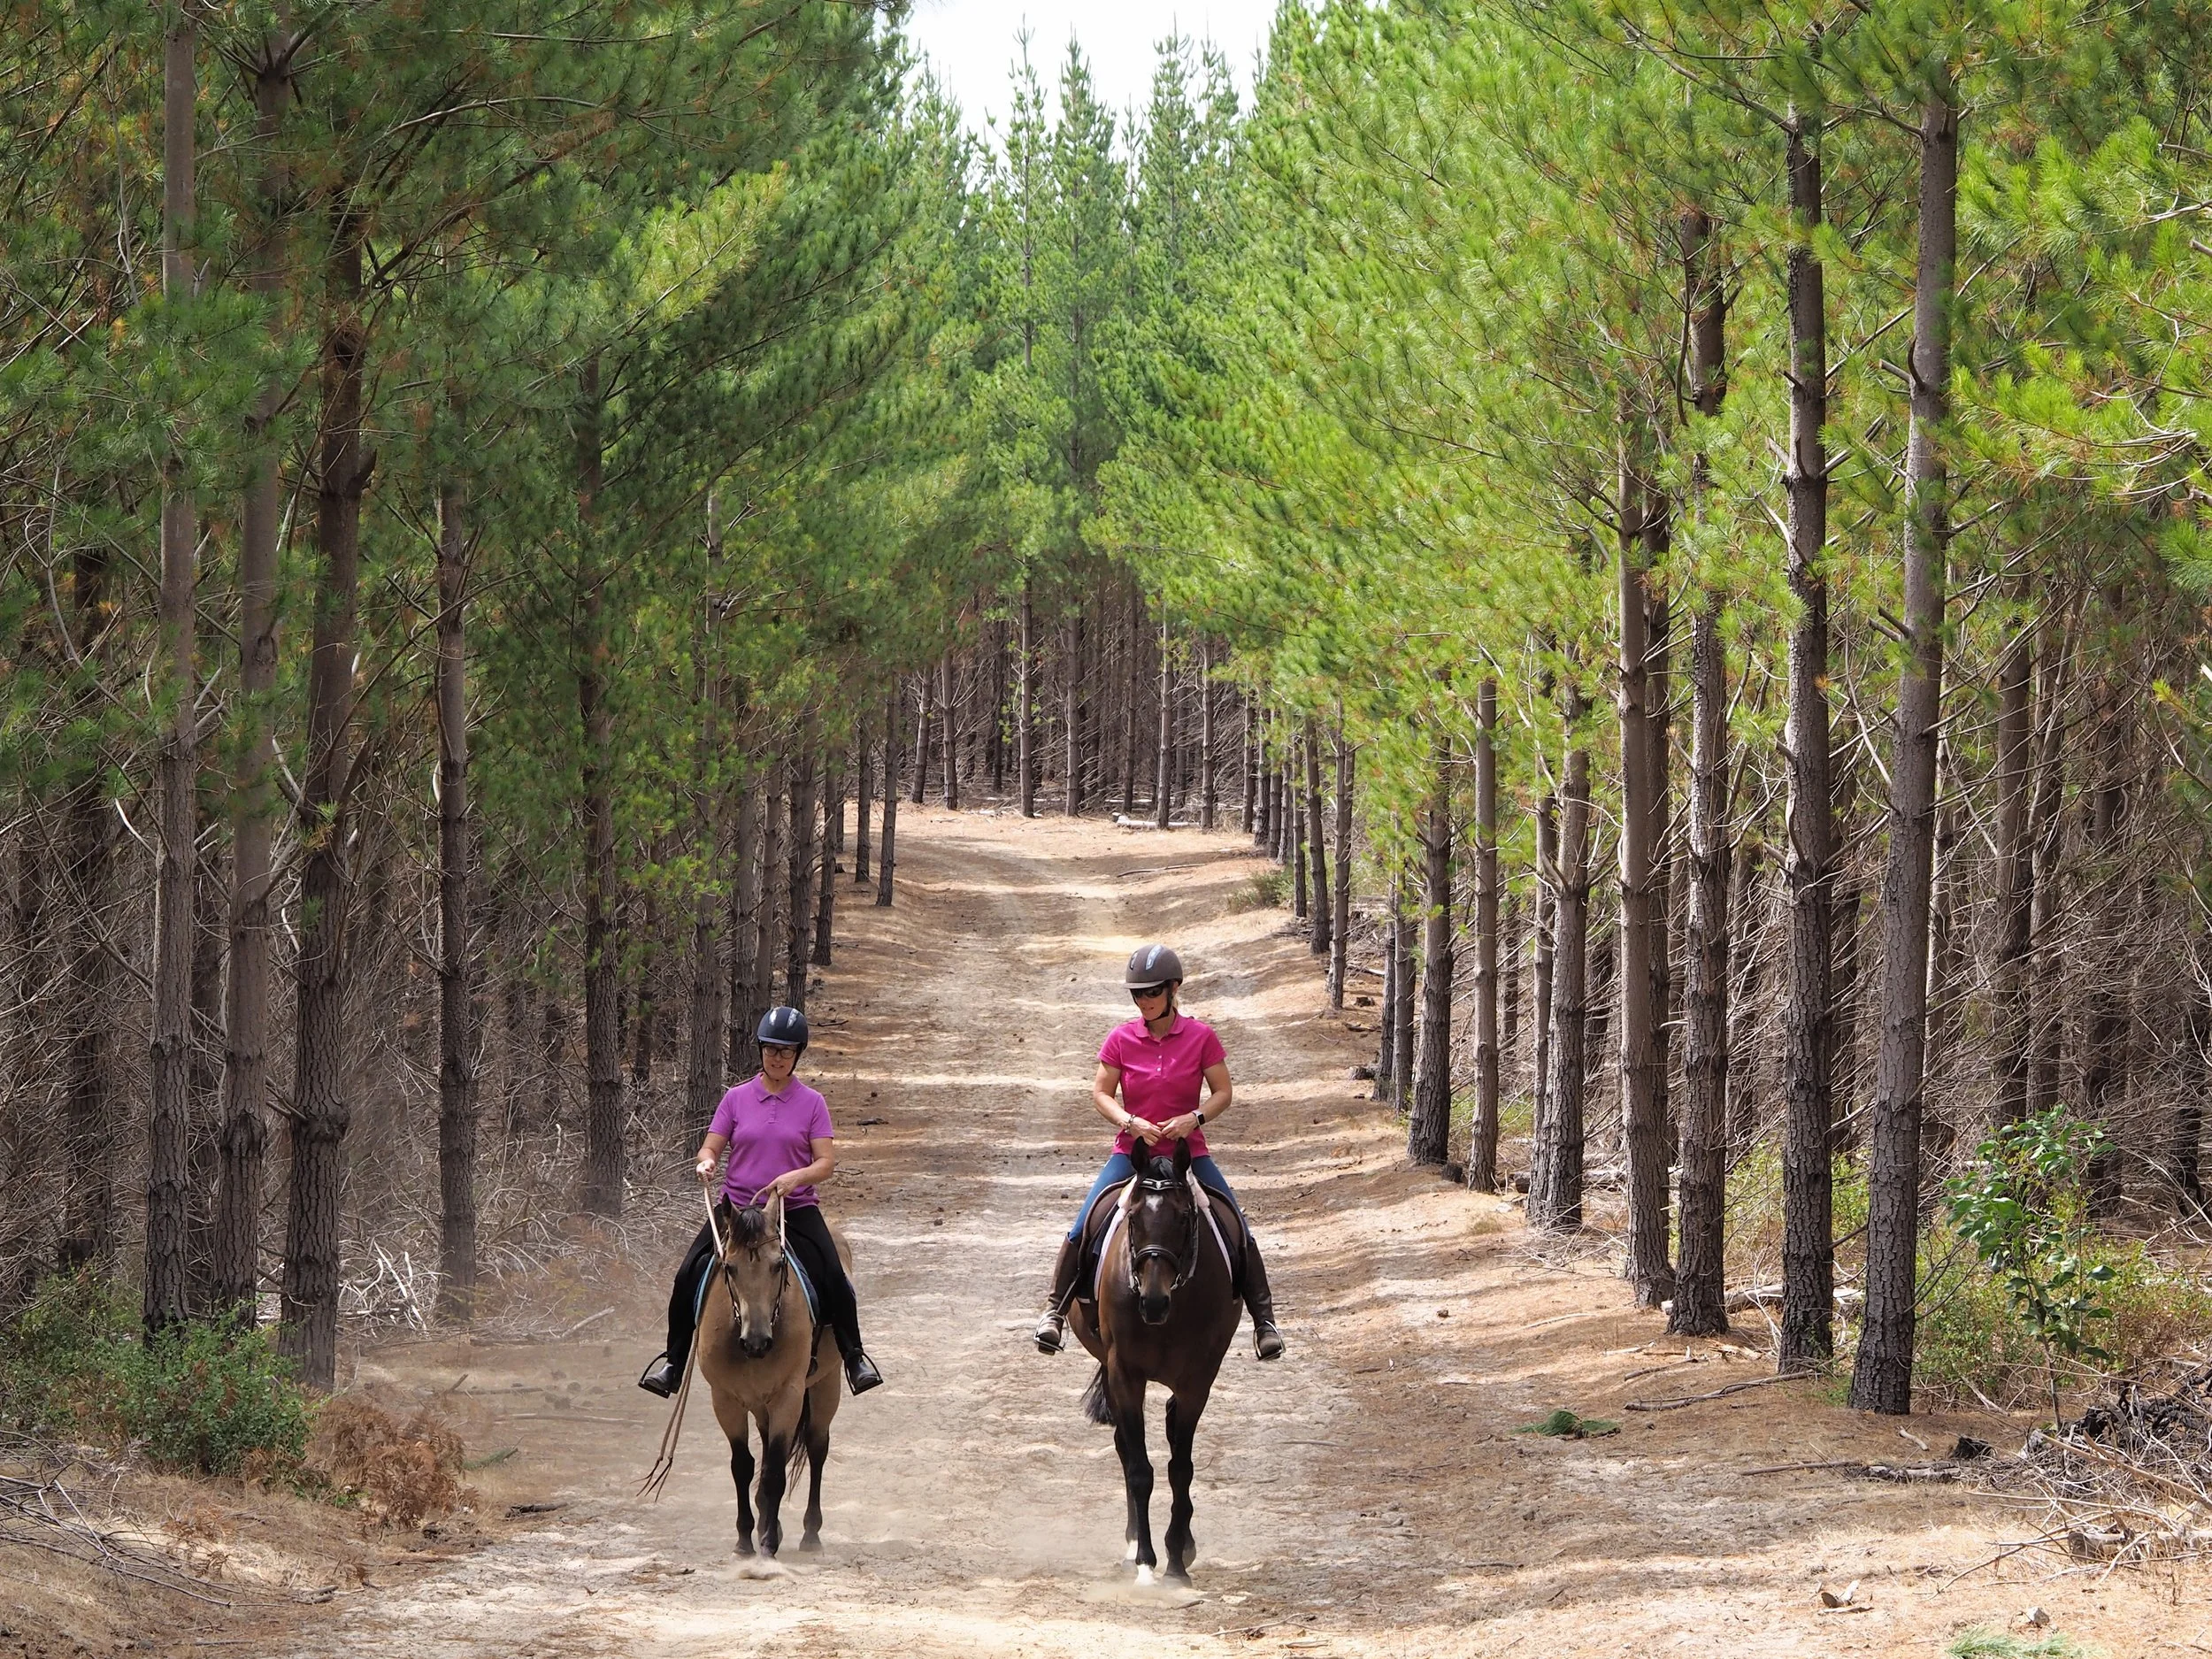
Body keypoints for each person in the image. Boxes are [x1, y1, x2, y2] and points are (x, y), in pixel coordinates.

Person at [1033, 944, 1284, 1361]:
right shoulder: (1120, 1039)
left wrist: (1194, 1119)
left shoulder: (1201, 1037)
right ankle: (1054, 1312)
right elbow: (1101, 1093)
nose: (1144, 1001)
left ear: (1173, 989)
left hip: (1190, 1155)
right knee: (1086, 1220)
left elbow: (1224, 1093)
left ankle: (1264, 1321)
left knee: (1236, 1223)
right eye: (1137, 994)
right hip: (1133, 1153)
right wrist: (1130, 1123)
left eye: (1151, 992)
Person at [638, 1006, 884, 1398]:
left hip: (794, 1209)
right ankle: (673, 1362)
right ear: (761, 1050)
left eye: (786, 1051)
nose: (777, 1057)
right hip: (736, 1211)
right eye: (770, 1049)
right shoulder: (736, 1099)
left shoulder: (812, 1103)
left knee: (834, 1276)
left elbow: (825, 1163)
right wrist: (707, 1162)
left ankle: (854, 1358)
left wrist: (794, 1177)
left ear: (798, 1054)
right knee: (687, 1275)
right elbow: (711, 1145)